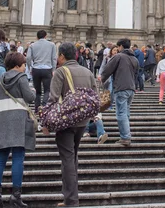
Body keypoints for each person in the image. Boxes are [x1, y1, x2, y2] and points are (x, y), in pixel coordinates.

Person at [47, 42, 96, 207]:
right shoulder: (87, 72)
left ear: (62, 56)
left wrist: (46, 121)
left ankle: (72, 201)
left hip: (65, 121)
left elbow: (53, 99)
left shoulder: (61, 72)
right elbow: (95, 96)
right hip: (82, 121)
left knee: (67, 158)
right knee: (72, 156)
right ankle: (69, 198)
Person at [0, 51, 36, 208]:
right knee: (18, 158)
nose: (24, 68)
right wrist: (34, 91)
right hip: (18, 121)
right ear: (17, 66)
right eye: (23, 65)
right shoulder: (21, 78)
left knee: (0, 159)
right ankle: (15, 196)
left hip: (2, 121)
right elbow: (30, 98)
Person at [100, 38, 139, 146]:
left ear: (121, 46)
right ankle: (126, 134)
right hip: (131, 88)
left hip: (121, 87)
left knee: (121, 113)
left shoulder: (118, 56)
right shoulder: (134, 59)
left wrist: (102, 79)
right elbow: (137, 74)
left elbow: (107, 70)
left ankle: (126, 137)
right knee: (126, 112)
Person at [26, 30, 57, 116]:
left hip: (36, 68)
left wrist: (30, 68)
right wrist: (53, 69)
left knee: (37, 91)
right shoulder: (52, 45)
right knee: (47, 90)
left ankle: (36, 109)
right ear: (46, 36)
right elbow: (54, 58)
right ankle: (44, 106)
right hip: (47, 68)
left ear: (37, 37)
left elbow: (28, 58)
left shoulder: (32, 45)